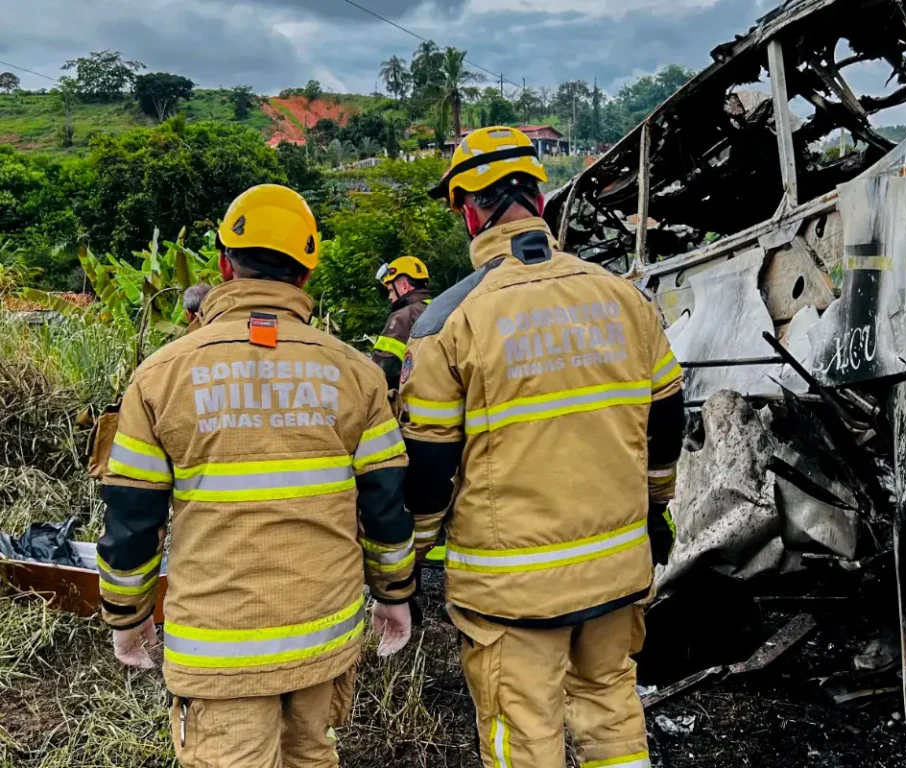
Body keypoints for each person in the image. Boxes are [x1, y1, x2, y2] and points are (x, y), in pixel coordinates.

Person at [96, 184, 416, 768]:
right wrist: (395, 595)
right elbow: (386, 506)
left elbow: (132, 515)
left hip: (220, 651)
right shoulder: (357, 375)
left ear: (224, 265)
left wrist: (127, 615)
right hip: (324, 638)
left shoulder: (160, 376)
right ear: (306, 272)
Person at [400, 126, 685, 768]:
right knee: (612, 706)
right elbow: (667, 419)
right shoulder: (624, 298)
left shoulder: (448, 322)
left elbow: (430, 467)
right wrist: (654, 508)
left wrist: (410, 561)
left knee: (522, 731)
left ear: (469, 210)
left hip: (513, 589)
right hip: (618, 563)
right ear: (541, 201)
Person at [371, 256, 432, 392]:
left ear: (404, 286)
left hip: (412, 402)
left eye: (391, 291)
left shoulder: (403, 317)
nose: (390, 297)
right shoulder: (439, 309)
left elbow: (382, 368)